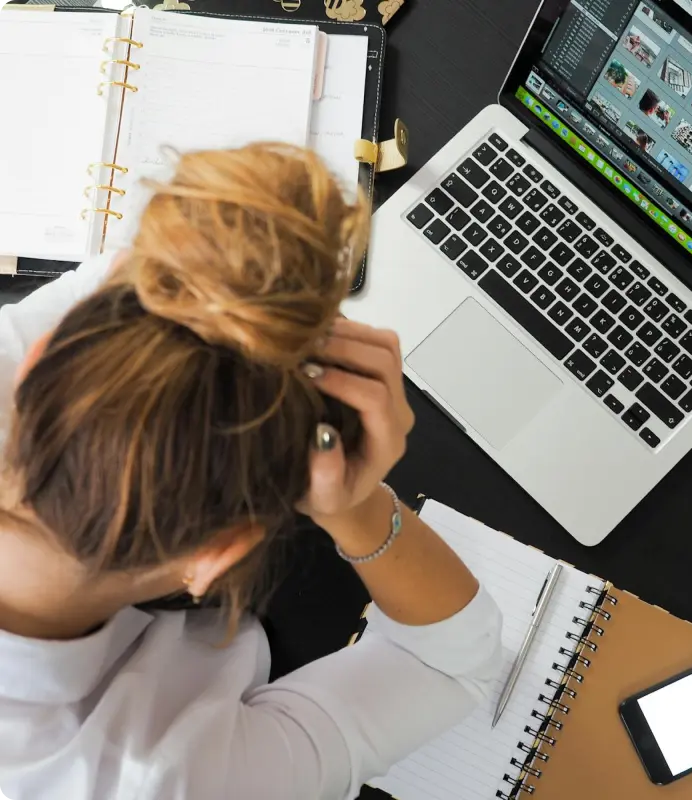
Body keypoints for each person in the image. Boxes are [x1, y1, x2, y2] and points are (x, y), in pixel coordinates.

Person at [0, 143, 503, 799]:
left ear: (37, 361)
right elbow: (449, 662)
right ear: (216, 558)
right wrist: (356, 508)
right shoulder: (166, 781)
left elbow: (130, 271)